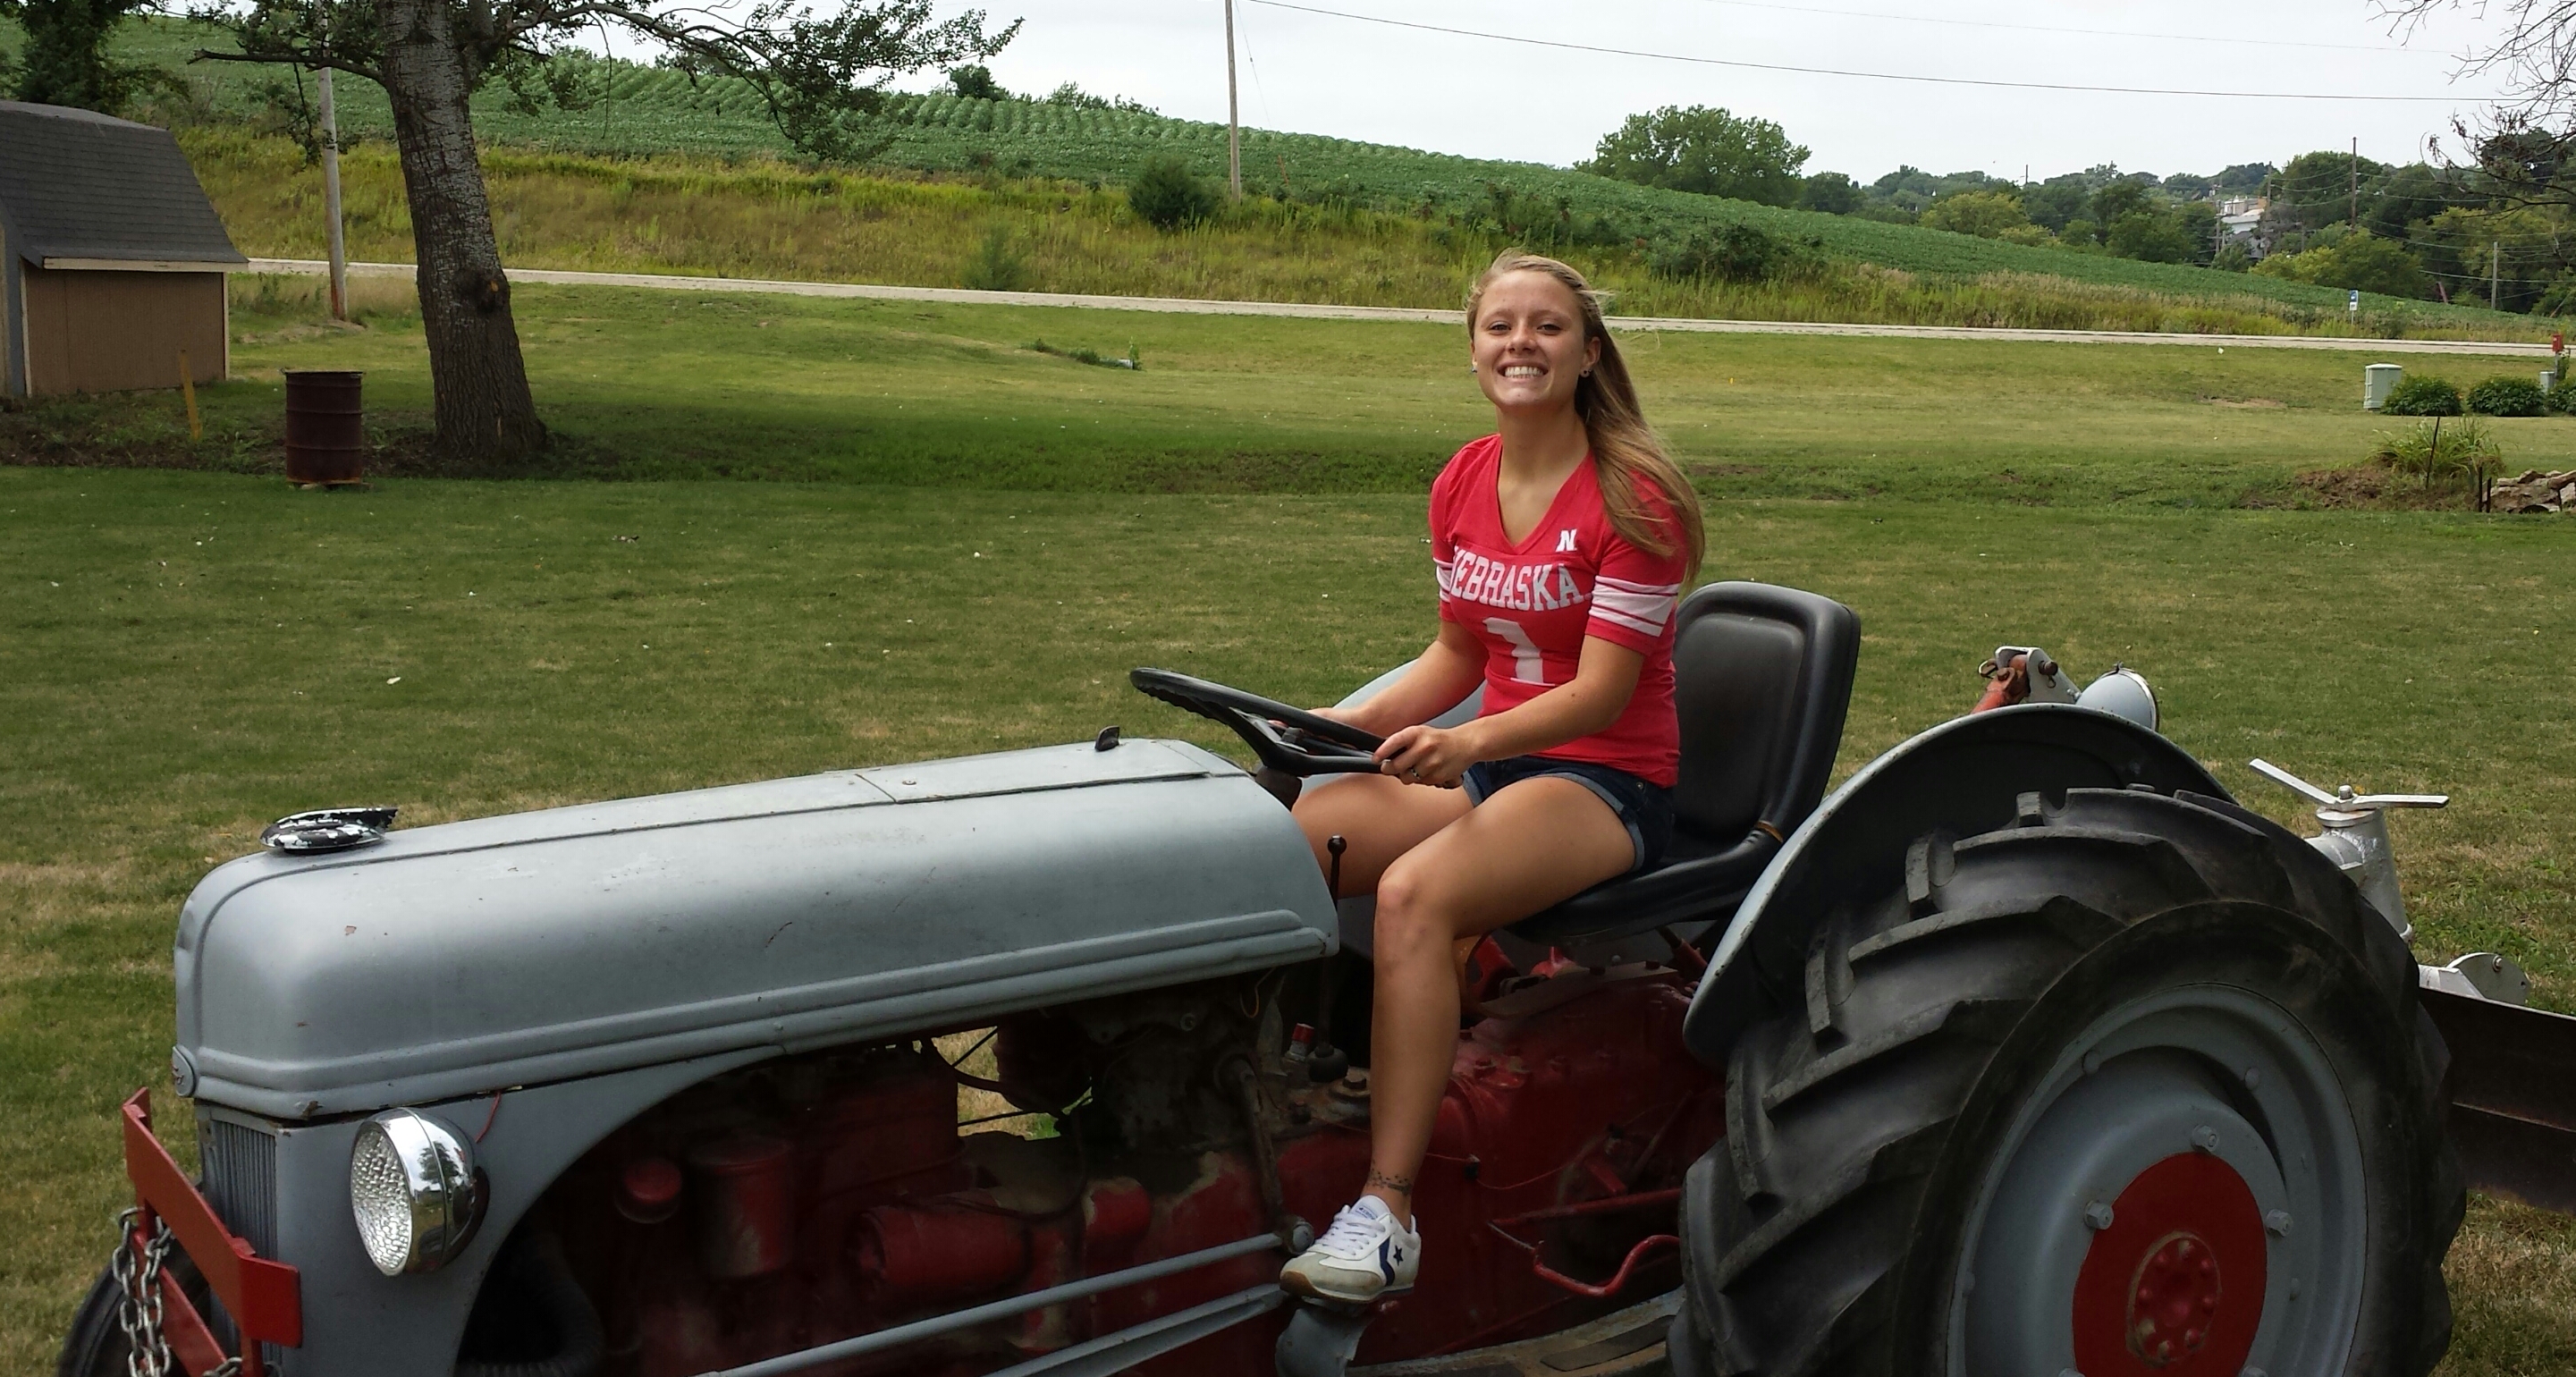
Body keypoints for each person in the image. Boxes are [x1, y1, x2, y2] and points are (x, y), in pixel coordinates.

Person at [1276, 251, 1706, 1303]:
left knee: (1418, 894)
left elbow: (1602, 695)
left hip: (1604, 783)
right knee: (1275, 845)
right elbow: (1457, 657)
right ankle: (1257, 1100)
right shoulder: (1462, 479)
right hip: (1498, 765)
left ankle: (1384, 1211)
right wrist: (1326, 723)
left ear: (1589, 352)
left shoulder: (1636, 500)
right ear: (1472, 353)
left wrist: (1471, 745)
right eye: (1499, 326)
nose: (1522, 343)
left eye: (1548, 326)